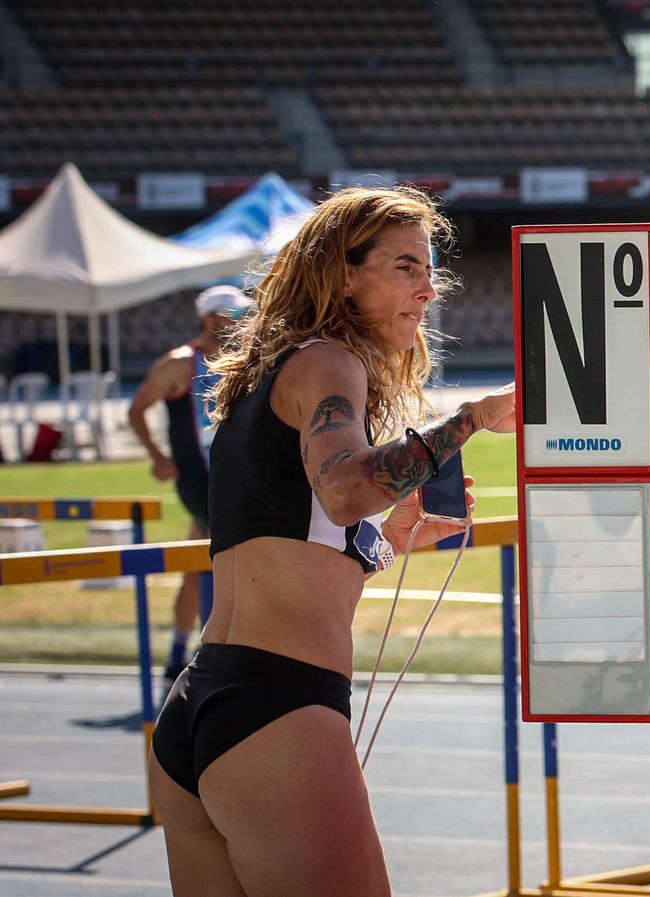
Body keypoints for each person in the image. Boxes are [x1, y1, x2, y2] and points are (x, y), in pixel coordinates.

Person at [147, 185, 516, 896]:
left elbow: (288, 530)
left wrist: (386, 533)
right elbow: (345, 488)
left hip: (199, 708)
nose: (429, 289)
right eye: (406, 266)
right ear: (343, 274)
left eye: (428, 268)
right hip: (273, 712)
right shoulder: (328, 363)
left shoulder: (269, 375)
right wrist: (470, 419)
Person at [128, 285, 253, 691]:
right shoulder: (180, 363)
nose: (241, 324)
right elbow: (137, 408)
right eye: (233, 317)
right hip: (200, 482)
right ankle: (216, 655)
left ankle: (179, 652)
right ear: (210, 319)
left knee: (198, 560)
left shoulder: (244, 361)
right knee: (227, 562)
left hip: (234, 480)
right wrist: (158, 457)